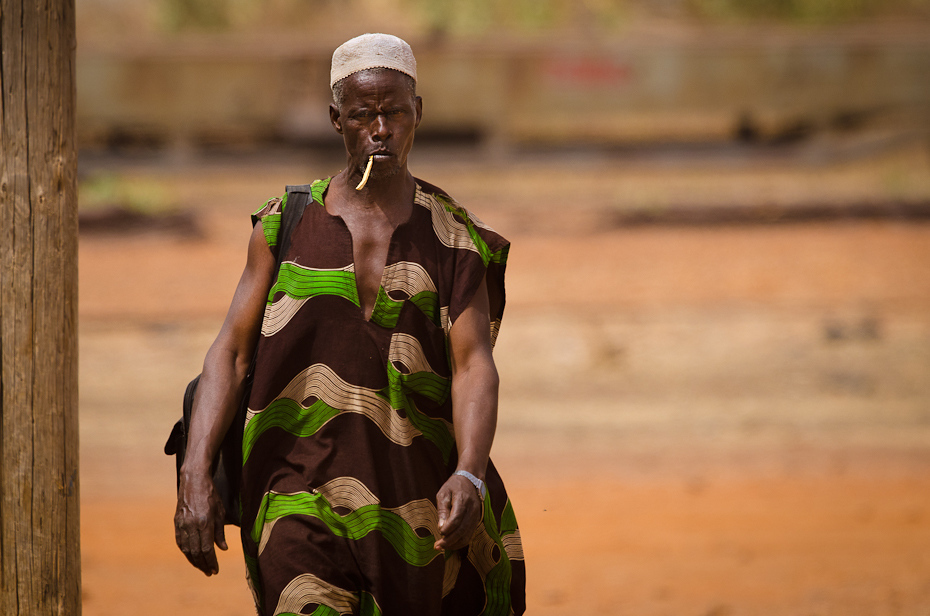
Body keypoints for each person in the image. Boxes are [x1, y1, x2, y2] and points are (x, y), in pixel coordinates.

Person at [173, 33, 526, 615]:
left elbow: (473, 367)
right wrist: (195, 475)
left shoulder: (456, 240)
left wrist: (470, 474)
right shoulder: (284, 224)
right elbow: (230, 355)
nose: (380, 130)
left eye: (395, 113)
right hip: (294, 494)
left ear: (419, 115)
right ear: (336, 120)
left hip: (413, 507)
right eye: (363, 115)